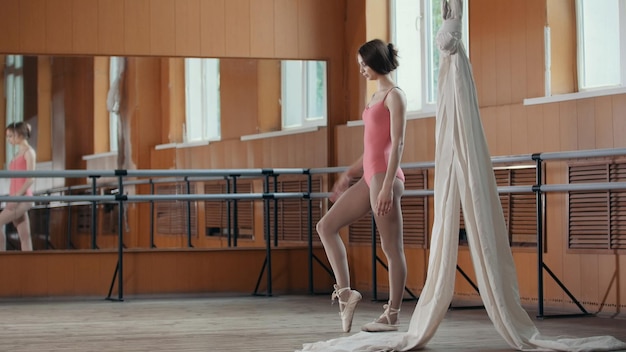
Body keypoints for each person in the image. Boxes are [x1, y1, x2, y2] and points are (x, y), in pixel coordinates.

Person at [316, 38, 408, 334]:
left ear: (377, 62)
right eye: (359, 65)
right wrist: (348, 174)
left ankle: (392, 315)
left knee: (391, 248)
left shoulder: (395, 96)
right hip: (370, 175)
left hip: (385, 177)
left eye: (364, 65)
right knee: (326, 227)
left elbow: (397, 144)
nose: (361, 70)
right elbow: (370, 148)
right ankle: (345, 294)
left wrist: (385, 188)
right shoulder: (373, 97)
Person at [0, 122, 36, 251]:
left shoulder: (29, 152)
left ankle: (2, 259)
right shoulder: (17, 153)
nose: (8, 140)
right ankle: (29, 265)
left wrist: (17, 196)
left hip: (22, 198)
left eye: (10, 136)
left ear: (19, 135)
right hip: (15, 197)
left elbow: (30, 179)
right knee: (25, 236)